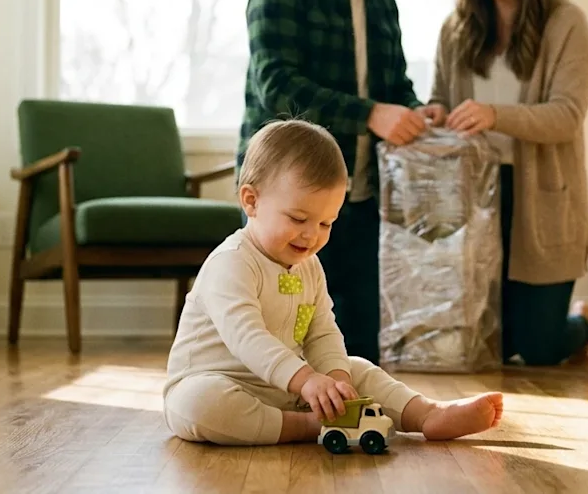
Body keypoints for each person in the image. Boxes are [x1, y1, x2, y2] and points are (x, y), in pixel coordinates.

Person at [164, 119, 503, 446]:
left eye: (326, 223)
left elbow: (322, 332)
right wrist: (307, 380)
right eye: (298, 218)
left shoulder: (309, 266)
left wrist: (337, 382)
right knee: (199, 404)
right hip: (222, 383)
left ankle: (426, 414)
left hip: (290, 389)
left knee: (357, 368)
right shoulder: (232, 263)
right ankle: (307, 427)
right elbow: (247, 337)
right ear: (251, 201)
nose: (312, 235)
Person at [237, 0, 431, 364]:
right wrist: (371, 114)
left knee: (358, 348)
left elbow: (396, 88)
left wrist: (419, 112)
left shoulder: (383, 3)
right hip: (287, 199)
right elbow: (276, 88)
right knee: (275, 342)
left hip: (357, 200)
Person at [418, 0, 588, 367]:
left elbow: (566, 115)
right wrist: (436, 113)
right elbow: (441, 95)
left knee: (537, 350)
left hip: (541, 198)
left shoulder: (565, 23)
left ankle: (582, 323)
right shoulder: (456, 29)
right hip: (477, 195)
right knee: (489, 343)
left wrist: (496, 115)